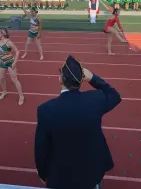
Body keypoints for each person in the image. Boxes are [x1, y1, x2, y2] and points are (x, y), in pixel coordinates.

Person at [34, 55, 122, 189]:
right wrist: (93, 78)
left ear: (61, 79)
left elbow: (41, 148)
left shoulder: (45, 110)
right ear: (82, 79)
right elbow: (114, 96)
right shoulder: (95, 99)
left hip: (61, 178)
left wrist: (42, 173)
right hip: (91, 173)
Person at [0, 20, 24, 105]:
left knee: (14, 80)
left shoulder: (9, 42)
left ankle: (21, 96)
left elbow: (17, 51)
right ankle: (4, 91)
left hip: (10, 62)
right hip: (2, 62)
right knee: (1, 78)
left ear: (2, 34)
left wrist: (14, 63)